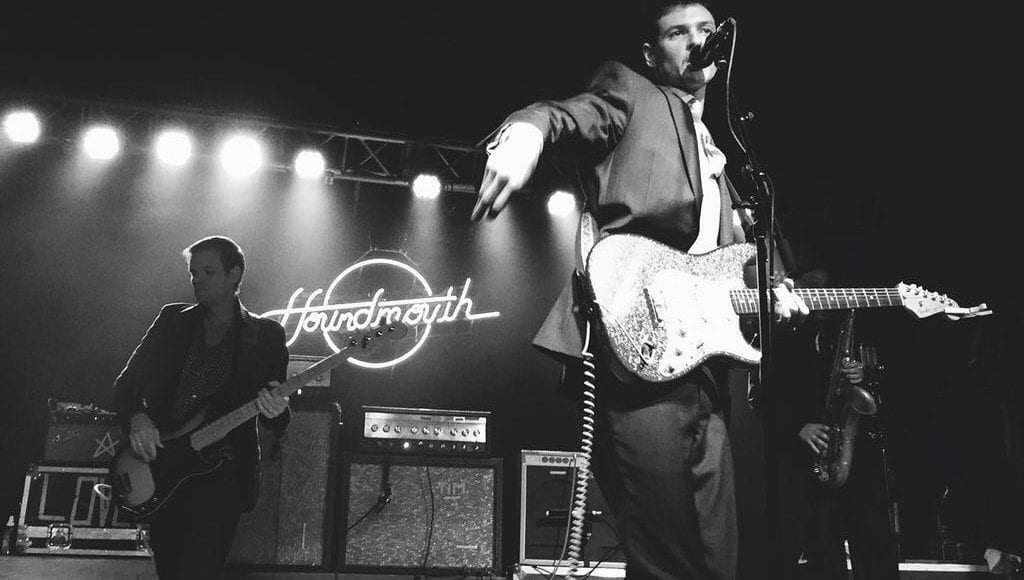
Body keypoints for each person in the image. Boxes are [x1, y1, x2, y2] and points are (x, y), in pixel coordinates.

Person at [473, 2, 808, 577]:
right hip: (637, 354)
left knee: (719, 557)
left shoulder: (722, 156)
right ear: (652, 54)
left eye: (706, 30)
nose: (697, 41)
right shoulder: (631, 91)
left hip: (706, 373)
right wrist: (526, 131)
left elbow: (736, 262)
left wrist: (776, 290)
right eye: (679, 32)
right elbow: (567, 114)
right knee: (665, 557)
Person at [112, 236, 291, 579]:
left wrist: (276, 410)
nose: (197, 280)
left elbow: (277, 411)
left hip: (221, 477)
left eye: (208, 272)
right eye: (194, 273)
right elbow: (126, 384)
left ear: (234, 274)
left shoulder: (266, 334)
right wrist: (137, 417)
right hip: (164, 467)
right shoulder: (172, 321)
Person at [763, 269, 899, 579]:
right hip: (812, 460)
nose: (822, 300)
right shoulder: (783, 338)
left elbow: (885, 384)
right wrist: (798, 428)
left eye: (827, 291)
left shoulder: (848, 330)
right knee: (825, 556)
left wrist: (863, 374)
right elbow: (762, 396)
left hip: (856, 453)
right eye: (813, 290)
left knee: (875, 550)